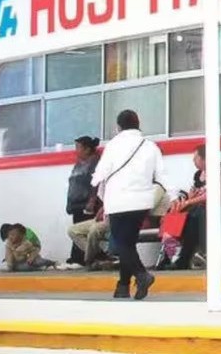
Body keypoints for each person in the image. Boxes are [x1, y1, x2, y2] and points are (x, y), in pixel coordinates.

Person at [92, 109, 165, 300]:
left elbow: (100, 174)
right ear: (138, 124)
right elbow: (161, 175)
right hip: (142, 201)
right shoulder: (150, 146)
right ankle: (122, 286)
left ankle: (142, 275)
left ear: (118, 127)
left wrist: (94, 187)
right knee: (128, 244)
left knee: (120, 244)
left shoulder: (113, 145)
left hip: (118, 201)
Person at [166, 145, 221, 270]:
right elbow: (194, 192)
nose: (193, 161)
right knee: (173, 216)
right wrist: (187, 200)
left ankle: (183, 258)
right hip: (199, 208)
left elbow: (212, 195)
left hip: (217, 208)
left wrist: (189, 202)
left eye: (195, 158)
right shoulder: (198, 174)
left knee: (192, 220)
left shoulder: (219, 170)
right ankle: (170, 255)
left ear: (205, 158)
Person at [66, 136, 101, 266]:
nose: (76, 151)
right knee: (76, 228)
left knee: (84, 231)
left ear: (87, 149)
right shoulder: (78, 164)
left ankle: (85, 258)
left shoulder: (95, 163)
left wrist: (92, 200)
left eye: (78, 147)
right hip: (76, 203)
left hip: (87, 203)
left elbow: (96, 183)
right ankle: (78, 257)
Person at [67, 205, 110, 269]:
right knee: (72, 230)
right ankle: (99, 255)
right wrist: (102, 210)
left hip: (113, 219)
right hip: (102, 217)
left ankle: (89, 261)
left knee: (94, 230)